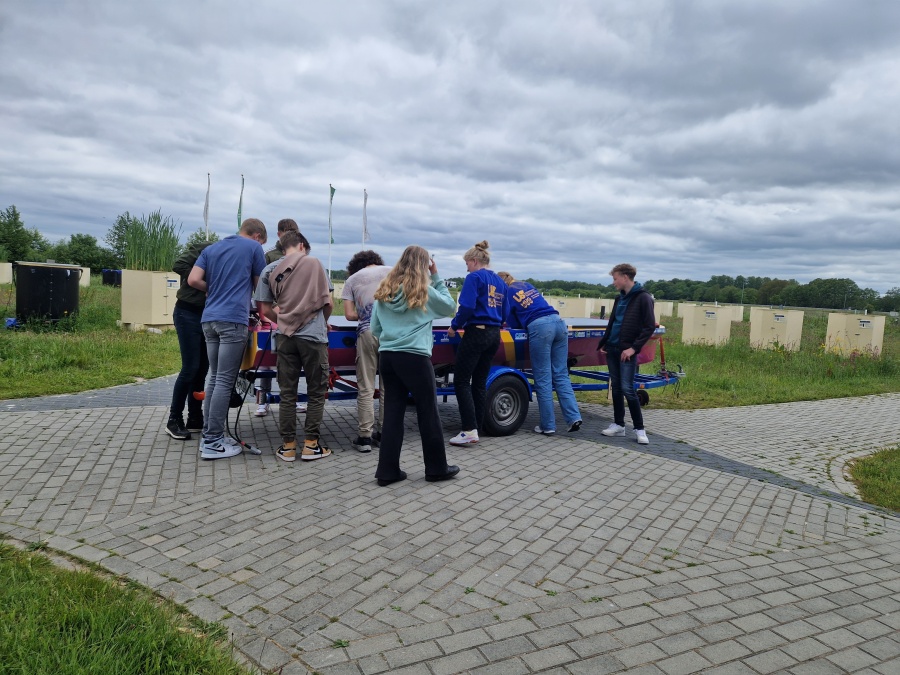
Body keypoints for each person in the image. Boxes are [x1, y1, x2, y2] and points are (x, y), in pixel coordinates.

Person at [370, 245, 459, 485]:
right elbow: (451, 308)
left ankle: (387, 472)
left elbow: (375, 330)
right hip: (415, 358)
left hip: (388, 357)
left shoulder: (384, 292)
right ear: (424, 266)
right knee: (427, 412)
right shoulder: (424, 292)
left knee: (392, 414)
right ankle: (436, 468)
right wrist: (437, 275)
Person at [188, 218, 267, 460]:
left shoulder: (211, 249)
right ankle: (213, 441)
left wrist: (214, 289)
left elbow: (193, 280)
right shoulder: (253, 248)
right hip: (233, 319)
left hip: (209, 319)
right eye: (262, 242)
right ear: (256, 236)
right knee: (225, 379)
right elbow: (260, 286)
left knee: (214, 377)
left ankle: (209, 436)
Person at [256, 230, 333, 462]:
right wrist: (320, 323)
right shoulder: (314, 263)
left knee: (287, 393)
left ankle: (288, 447)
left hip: (285, 337)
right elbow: (327, 303)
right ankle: (311, 445)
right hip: (313, 338)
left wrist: (285, 322)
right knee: (317, 392)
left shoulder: (269, 270)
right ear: (302, 245)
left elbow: (265, 309)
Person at [497, 272, 582, 435]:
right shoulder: (526, 285)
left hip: (540, 328)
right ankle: (573, 417)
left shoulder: (507, 293)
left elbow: (512, 322)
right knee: (561, 374)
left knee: (543, 377)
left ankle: (548, 425)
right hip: (558, 322)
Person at [447, 241, 508, 446]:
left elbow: (467, 306)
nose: (466, 268)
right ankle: (477, 426)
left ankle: (468, 429)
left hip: (476, 332)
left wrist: (455, 326)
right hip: (494, 334)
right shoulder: (499, 281)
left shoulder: (474, 277)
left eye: (467, 263)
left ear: (474, 261)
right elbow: (505, 311)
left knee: (462, 381)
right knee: (479, 382)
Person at [597, 263, 656, 445]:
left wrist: (633, 349)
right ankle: (618, 425)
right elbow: (613, 323)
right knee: (615, 387)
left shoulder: (644, 298)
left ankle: (639, 429)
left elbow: (648, 327)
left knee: (628, 389)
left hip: (627, 352)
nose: (614, 282)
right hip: (613, 348)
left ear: (625, 277)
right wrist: (605, 342)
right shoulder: (619, 298)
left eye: (615, 279)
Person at [165, 239, 215, 440]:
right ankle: (173, 419)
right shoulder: (208, 248)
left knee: (202, 368)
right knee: (190, 367)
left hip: (206, 315)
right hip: (187, 313)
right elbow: (178, 264)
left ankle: (195, 416)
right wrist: (202, 281)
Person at [342, 250, 391, 453]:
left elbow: (348, 315)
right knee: (388, 386)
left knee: (366, 387)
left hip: (367, 332)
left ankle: (364, 437)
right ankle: (385, 433)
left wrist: (364, 315)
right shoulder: (393, 272)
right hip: (391, 333)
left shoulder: (352, 280)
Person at [256, 218, 306, 416]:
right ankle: (262, 400)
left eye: (294, 230)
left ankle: (291, 399)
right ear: (279, 234)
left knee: (293, 361)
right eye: (287, 231)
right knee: (267, 358)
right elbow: (262, 287)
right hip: (274, 314)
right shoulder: (268, 256)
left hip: (296, 315)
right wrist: (274, 312)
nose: (290, 234)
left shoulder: (303, 255)